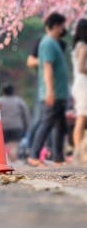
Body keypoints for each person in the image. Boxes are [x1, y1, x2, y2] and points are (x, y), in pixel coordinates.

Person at [28, 12, 69, 166]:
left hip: (59, 92)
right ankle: (34, 155)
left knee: (60, 126)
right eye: (62, 26)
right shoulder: (48, 43)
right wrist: (50, 91)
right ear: (56, 26)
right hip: (53, 92)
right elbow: (47, 66)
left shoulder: (54, 43)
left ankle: (58, 158)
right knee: (47, 124)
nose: (64, 29)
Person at [0, 84, 30, 162]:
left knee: (6, 143)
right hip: (17, 126)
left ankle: (9, 158)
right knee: (14, 144)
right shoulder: (19, 101)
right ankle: (13, 159)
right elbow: (26, 114)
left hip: (3, 127)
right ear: (13, 91)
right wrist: (26, 126)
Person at [71, 18, 87, 163]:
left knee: (81, 117)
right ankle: (78, 152)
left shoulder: (77, 45)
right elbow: (82, 67)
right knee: (82, 117)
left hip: (79, 84)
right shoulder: (84, 47)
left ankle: (80, 151)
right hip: (83, 84)